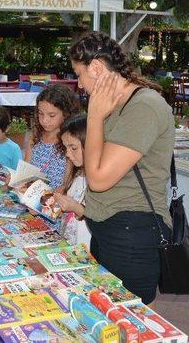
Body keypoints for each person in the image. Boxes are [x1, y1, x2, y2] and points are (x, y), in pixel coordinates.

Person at [67, 31, 174, 305]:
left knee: (126, 319)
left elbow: (99, 179)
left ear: (97, 68)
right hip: (105, 227)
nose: (79, 84)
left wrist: (94, 115)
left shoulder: (144, 106)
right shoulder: (115, 104)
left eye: (80, 74)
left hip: (131, 232)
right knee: (103, 315)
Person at [25, 84, 80, 192]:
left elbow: (66, 183)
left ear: (66, 114)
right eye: (41, 114)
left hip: (54, 201)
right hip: (31, 196)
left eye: (51, 115)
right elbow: (25, 169)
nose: (45, 120)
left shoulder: (70, 142)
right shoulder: (35, 136)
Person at [48, 113, 92, 247]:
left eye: (73, 148)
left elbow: (99, 220)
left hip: (87, 248)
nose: (67, 153)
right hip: (69, 246)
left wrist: (76, 208)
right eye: (66, 147)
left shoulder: (99, 182)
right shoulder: (76, 175)